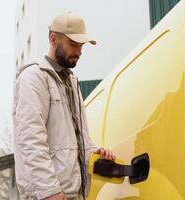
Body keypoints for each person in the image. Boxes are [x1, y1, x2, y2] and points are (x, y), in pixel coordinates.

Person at [13, 12, 115, 200]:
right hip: (48, 195)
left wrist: (92, 152)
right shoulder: (33, 78)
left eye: (81, 45)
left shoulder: (71, 81)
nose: (79, 51)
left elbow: (74, 139)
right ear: (53, 39)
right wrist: (49, 191)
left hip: (73, 194)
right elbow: (30, 140)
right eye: (74, 44)